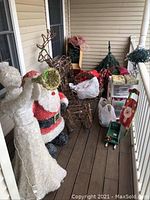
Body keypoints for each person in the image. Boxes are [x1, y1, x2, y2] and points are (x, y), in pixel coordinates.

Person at [0, 72, 67, 200]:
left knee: (39, 152)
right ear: (6, 83)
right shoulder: (6, 103)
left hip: (34, 127)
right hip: (23, 132)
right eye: (13, 79)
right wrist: (29, 84)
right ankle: (35, 185)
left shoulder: (22, 92)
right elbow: (22, 102)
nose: (17, 80)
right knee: (29, 156)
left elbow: (35, 96)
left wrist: (36, 83)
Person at [24, 68, 69, 157]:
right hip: (45, 131)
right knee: (49, 149)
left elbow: (60, 95)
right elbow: (28, 114)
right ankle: (46, 145)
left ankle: (57, 137)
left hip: (57, 123)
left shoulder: (52, 91)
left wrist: (63, 102)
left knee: (62, 138)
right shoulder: (33, 102)